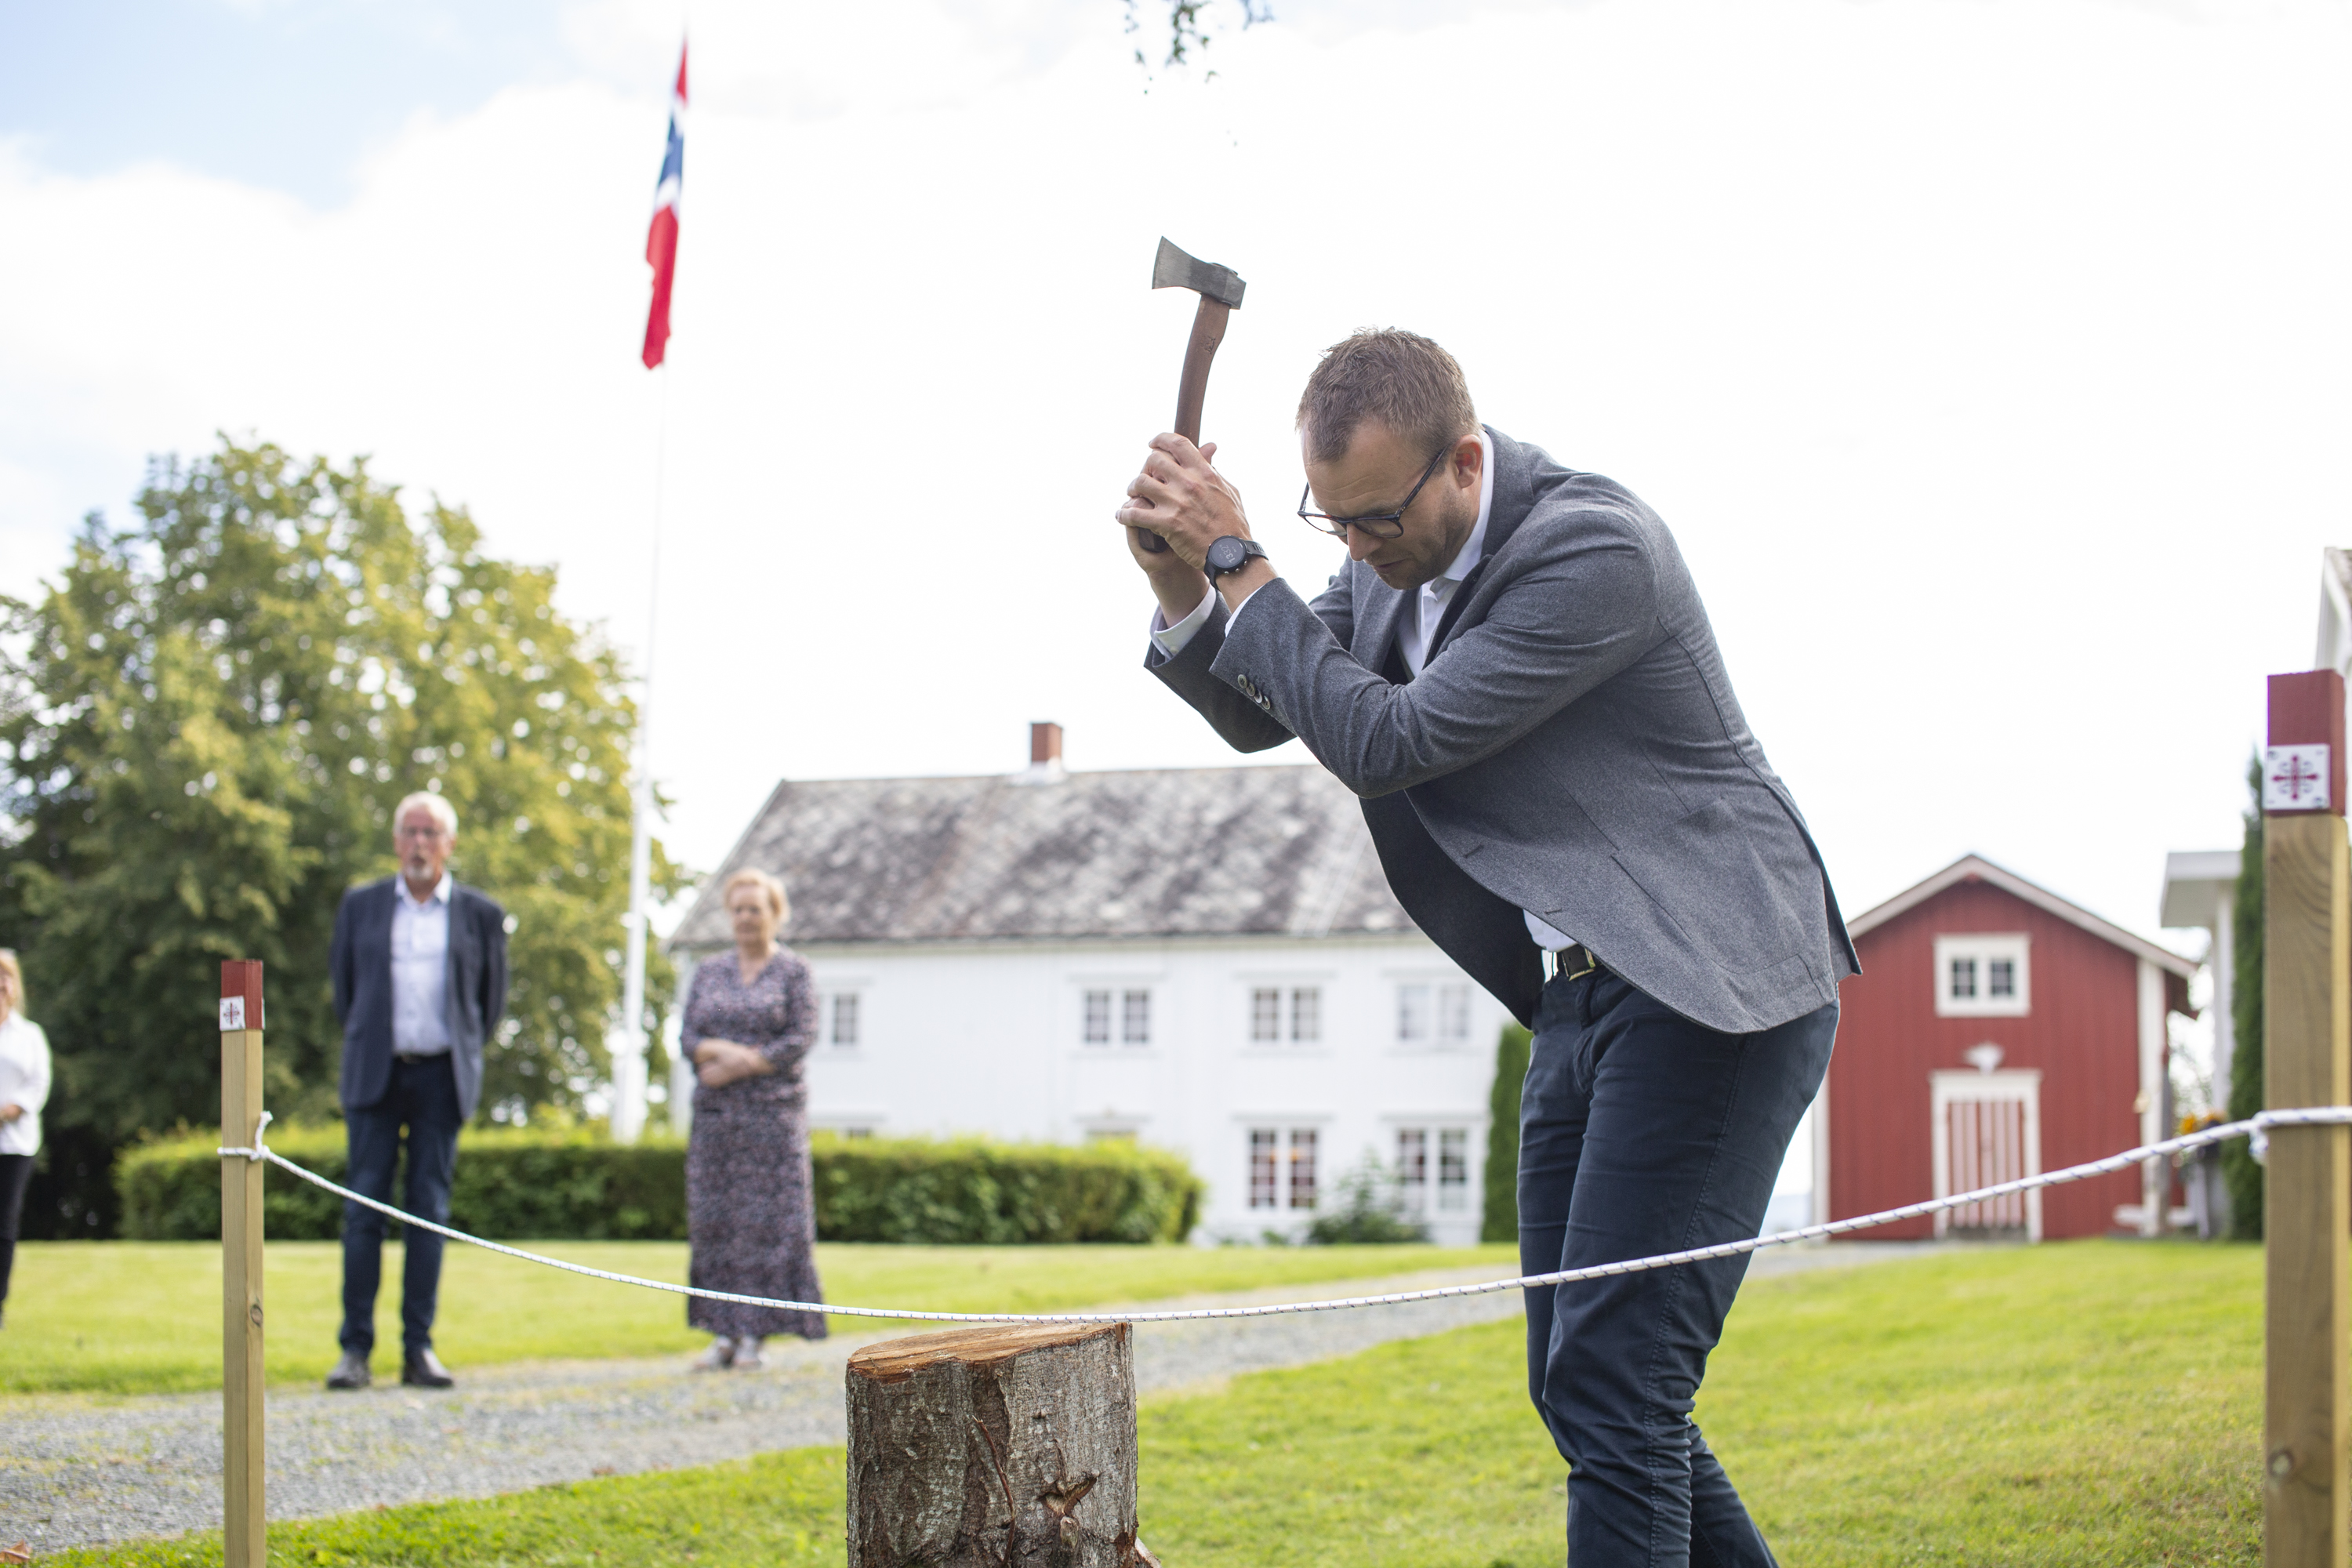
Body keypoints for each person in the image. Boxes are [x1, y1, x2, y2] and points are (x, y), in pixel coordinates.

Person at [1116, 329, 1857, 1567]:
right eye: (1329, 523)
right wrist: (1186, 584)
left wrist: (1241, 558)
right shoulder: (1393, 558)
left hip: (1713, 985)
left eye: (1373, 519)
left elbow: (1387, 741)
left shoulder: (1595, 549)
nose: (1353, 550)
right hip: (1578, 1006)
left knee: (1619, 1385)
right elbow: (1272, 698)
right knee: (1583, 1387)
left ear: (1463, 461)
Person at [325, 791, 509, 1391]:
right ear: (396, 840)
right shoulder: (361, 906)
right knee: (364, 1211)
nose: (420, 843)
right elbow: (345, 991)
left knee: (428, 1213)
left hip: (441, 1076)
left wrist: (459, 1049)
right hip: (375, 1073)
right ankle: (355, 1350)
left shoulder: (480, 914)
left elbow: (490, 1005)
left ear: (450, 843)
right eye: (411, 831)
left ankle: (418, 1349)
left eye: (431, 832)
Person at [678, 868, 826, 1370]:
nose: (745, 918)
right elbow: (689, 1039)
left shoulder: (794, 972)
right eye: (738, 909)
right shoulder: (709, 972)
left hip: (773, 1120)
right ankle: (722, 1332)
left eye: (755, 909)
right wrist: (725, 1051)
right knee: (716, 1224)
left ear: (774, 914)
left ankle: (756, 1336)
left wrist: (744, 1062)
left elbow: (801, 1036)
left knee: (769, 1228)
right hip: (717, 1122)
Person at [0, 949, 52, 1331]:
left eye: (7, 977)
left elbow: (39, 1084)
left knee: (4, 1226)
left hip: (15, 1144)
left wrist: (9, 1110)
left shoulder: (30, 1034)